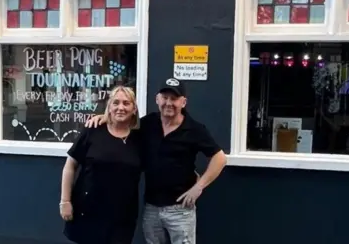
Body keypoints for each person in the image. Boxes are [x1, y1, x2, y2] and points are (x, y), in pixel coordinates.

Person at [86, 78, 227, 244]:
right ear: (157, 99)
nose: (169, 103)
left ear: (183, 102)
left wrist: (199, 187)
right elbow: (123, 122)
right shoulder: (147, 124)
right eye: (165, 98)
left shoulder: (194, 129)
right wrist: (105, 116)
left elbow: (220, 158)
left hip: (180, 210)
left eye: (174, 99)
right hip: (151, 207)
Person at [60, 86, 142, 244]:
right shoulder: (93, 130)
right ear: (109, 107)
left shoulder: (140, 138)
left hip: (122, 217)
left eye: (126, 103)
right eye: (115, 103)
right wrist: (65, 201)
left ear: (134, 109)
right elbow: (70, 165)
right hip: (88, 211)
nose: (121, 107)